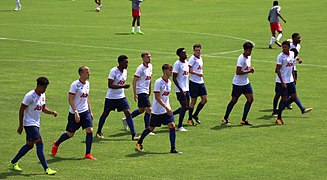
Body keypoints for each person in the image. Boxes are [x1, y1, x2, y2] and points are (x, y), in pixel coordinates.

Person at [10, 77, 57, 175]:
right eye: (44, 87)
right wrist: (20, 125)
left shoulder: (43, 95)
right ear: (38, 85)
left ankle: (13, 162)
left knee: (29, 145)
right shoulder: (29, 96)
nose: (44, 90)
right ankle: (46, 168)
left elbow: (43, 108)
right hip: (29, 124)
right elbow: (21, 110)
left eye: (46, 88)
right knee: (39, 143)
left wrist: (51, 112)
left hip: (36, 123)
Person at [51, 66, 97, 160]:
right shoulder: (75, 85)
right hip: (74, 113)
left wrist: (90, 111)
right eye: (87, 72)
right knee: (70, 134)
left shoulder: (87, 84)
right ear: (81, 74)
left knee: (90, 130)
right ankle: (56, 144)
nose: (89, 74)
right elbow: (70, 99)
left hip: (85, 112)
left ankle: (88, 154)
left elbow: (86, 98)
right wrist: (76, 112)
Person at [136, 64, 182, 154]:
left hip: (166, 111)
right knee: (150, 128)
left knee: (172, 126)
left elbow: (166, 97)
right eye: (169, 70)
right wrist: (166, 107)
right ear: (165, 71)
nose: (171, 72)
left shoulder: (169, 82)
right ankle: (139, 141)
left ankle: (173, 149)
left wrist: (168, 108)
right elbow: (157, 97)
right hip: (157, 111)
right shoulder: (158, 82)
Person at [96, 55, 140, 141]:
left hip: (121, 97)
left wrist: (122, 87)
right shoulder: (113, 71)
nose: (127, 64)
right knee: (105, 113)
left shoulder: (125, 71)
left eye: (127, 62)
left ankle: (133, 135)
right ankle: (99, 131)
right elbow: (110, 85)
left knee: (127, 113)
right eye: (125, 62)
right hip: (111, 97)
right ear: (120, 63)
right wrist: (123, 86)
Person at [274, 41, 312, 125]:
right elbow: (277, 70)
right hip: (282, 81)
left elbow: (291, 67)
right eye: (283, 47)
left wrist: (293, 77)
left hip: (290, 80)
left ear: (288, 47)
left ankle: (279, 109)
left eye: (285, 47)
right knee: (283, 99)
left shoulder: (291, 54)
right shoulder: (280, 57)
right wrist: (282, 82)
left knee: (294, 97)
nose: (284, 49)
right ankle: (279, 117)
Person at [221, 42, 255, 126]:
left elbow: (246, 68)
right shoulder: (241, 58)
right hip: (238, 84)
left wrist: (249, 69)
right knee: (234, 100)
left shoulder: (249, 57)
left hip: (246, 83)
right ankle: (225, 117)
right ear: (245, 50)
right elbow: (238, 72)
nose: (250, 52)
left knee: (250, 99)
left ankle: (243, 119)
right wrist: (249, 71)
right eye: (249, 50)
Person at [124, 52, 154, 135]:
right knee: (149, 109)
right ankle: (147, 129)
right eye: (147, 57)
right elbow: (134, 80)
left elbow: (149, 79)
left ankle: (127, 119)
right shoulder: (140, 68)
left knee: (141, 110)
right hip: (141, 91)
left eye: (150, 57)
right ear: (143, 58)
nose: (149, 58)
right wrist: (135, 93)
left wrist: (150, 90)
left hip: (146, 90)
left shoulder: (150, 66)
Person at [187, 44, 208, 126]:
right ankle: (189, 118)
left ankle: (195, 114)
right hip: (194, 82)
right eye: (196, 50)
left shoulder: (200, 58)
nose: (198, 52)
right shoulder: (192, 59)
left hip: (200, 82)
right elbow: (189, 70)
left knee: (205, 99)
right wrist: (198, 74)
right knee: (193, 101)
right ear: (193, 51)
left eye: (199, 50)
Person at [172, 48, 190, 132]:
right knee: (184, 107)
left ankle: (170, 115)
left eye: (186, 53)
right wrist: (180, 89)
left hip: (186, 88)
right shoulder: (177, 64)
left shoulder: (186, 63)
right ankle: (179, 126)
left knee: (186, 107)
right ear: (179, 55)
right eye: (184, 53)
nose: (186, 54)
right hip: (180, 90)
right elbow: (174, 78)